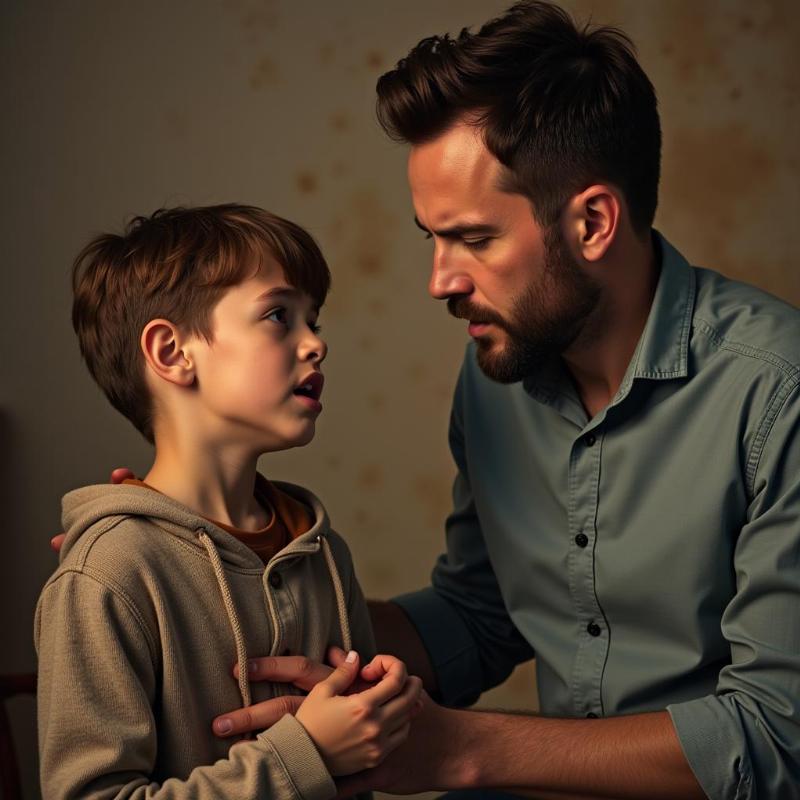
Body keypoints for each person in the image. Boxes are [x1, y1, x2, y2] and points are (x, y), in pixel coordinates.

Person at [168, 4, 798, 799]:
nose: (440, 281)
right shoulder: (496, 378)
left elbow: (777, 738)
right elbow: (479, 616)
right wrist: (209, 568)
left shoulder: (779, 394)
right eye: (432, 239)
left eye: (473, 238)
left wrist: (461, 750)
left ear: (594, 222)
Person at [35, 204, 422, 799]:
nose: (316, 344)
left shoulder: (322, 553)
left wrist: (383, 700)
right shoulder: (109, 573)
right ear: (171, 353)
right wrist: (306, 755)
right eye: (278, 316)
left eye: (313, 320)